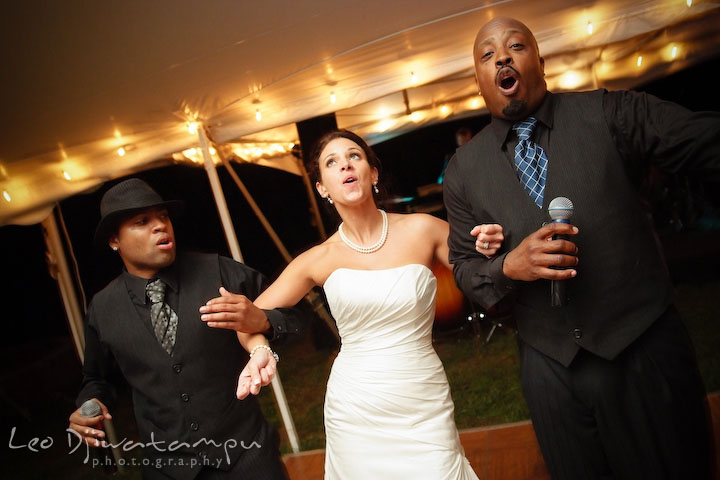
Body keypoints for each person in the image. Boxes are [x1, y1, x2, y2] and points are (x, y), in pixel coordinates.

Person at [443, 16, 720, 480]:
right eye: (487, 55)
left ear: (541, 62)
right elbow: (465, 269)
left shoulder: (610, 113)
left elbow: (702, 140)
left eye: (516, 46)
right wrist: (509, 265)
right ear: (479, 82)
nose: (502, 57)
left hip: (643, 350)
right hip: (550, 370)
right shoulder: (463, 172)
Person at [202, 129, 490, 479]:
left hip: (422, 396)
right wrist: (261, 349)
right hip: (355, 406)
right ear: (322, 187)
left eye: (354, 156)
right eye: (331, 162)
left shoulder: (424, 229)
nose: (345, 166)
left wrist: (487, 246)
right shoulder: (316, 259)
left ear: (373, 172)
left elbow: (481, 274)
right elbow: (251, 320)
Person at [67, 178, 303, 480]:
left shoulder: (218, 271)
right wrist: (91, 403)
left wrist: (264, 321)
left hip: (247, 459)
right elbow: (96, 379)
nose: (160, 226)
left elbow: (294, 316)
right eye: (142, 221)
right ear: (115, 240)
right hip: (166, 469)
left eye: (163, 217)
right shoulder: (102, 309)